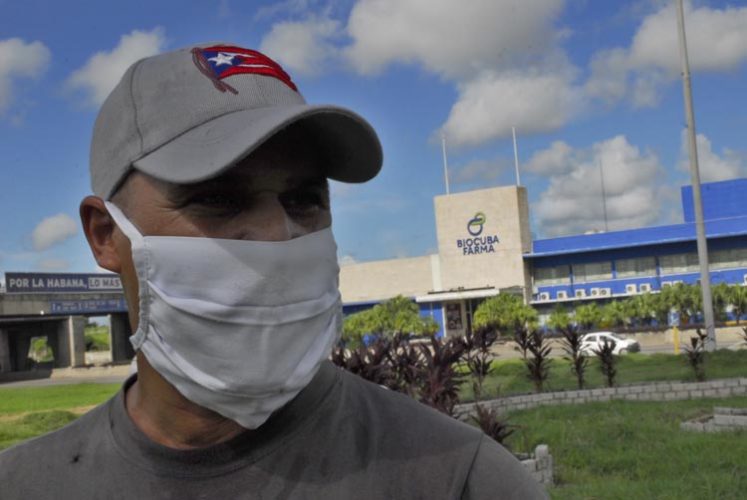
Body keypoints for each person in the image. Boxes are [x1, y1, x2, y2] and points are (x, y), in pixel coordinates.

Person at [0, 43, 546, 499]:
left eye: (304, 199)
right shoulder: (24, 484)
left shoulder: (461, 480)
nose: (278, 234)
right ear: (104, 234)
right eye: (216, 198)